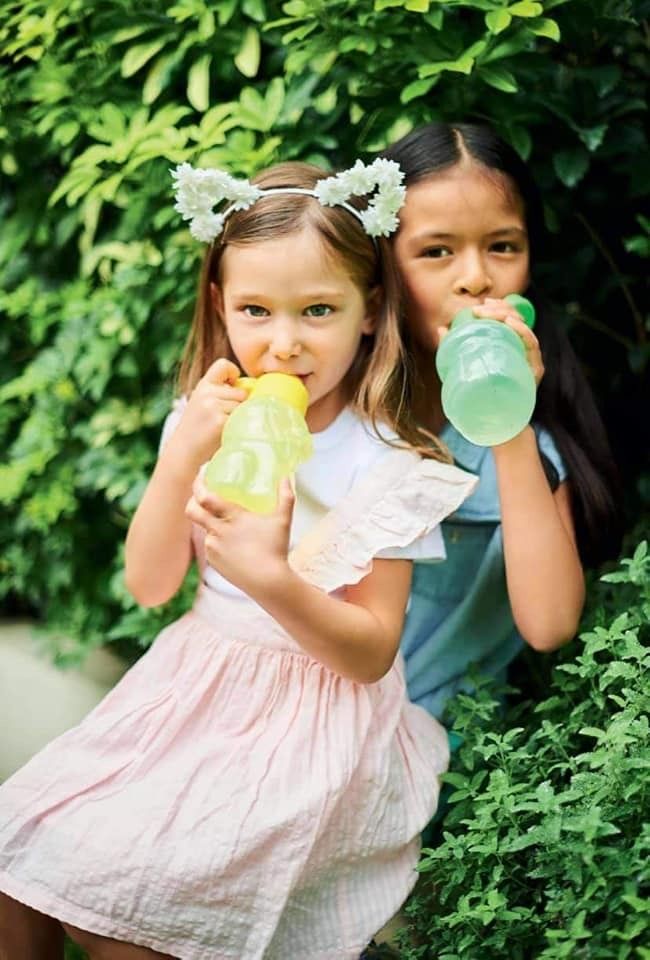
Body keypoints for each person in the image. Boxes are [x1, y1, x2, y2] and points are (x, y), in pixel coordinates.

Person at [0, 158, 478, 960]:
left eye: (318, 310)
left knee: (120, 914)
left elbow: (369, 653)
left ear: (368, 313)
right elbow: (150, 586)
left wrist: (270, 577)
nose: (283, 344)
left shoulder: (386, 460)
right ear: (221, 307)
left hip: (311, 723)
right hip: (192, 689)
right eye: (256, 310)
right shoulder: (203, 419)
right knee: (17, 854)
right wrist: (178, 456)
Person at [380, 121, 623, 723]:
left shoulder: (526, 451)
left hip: (433, 742)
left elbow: (549, 627)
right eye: (436, 251)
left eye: (503, 246)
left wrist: (509, 416)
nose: (475, 278)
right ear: (382, 269)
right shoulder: (351, 418)